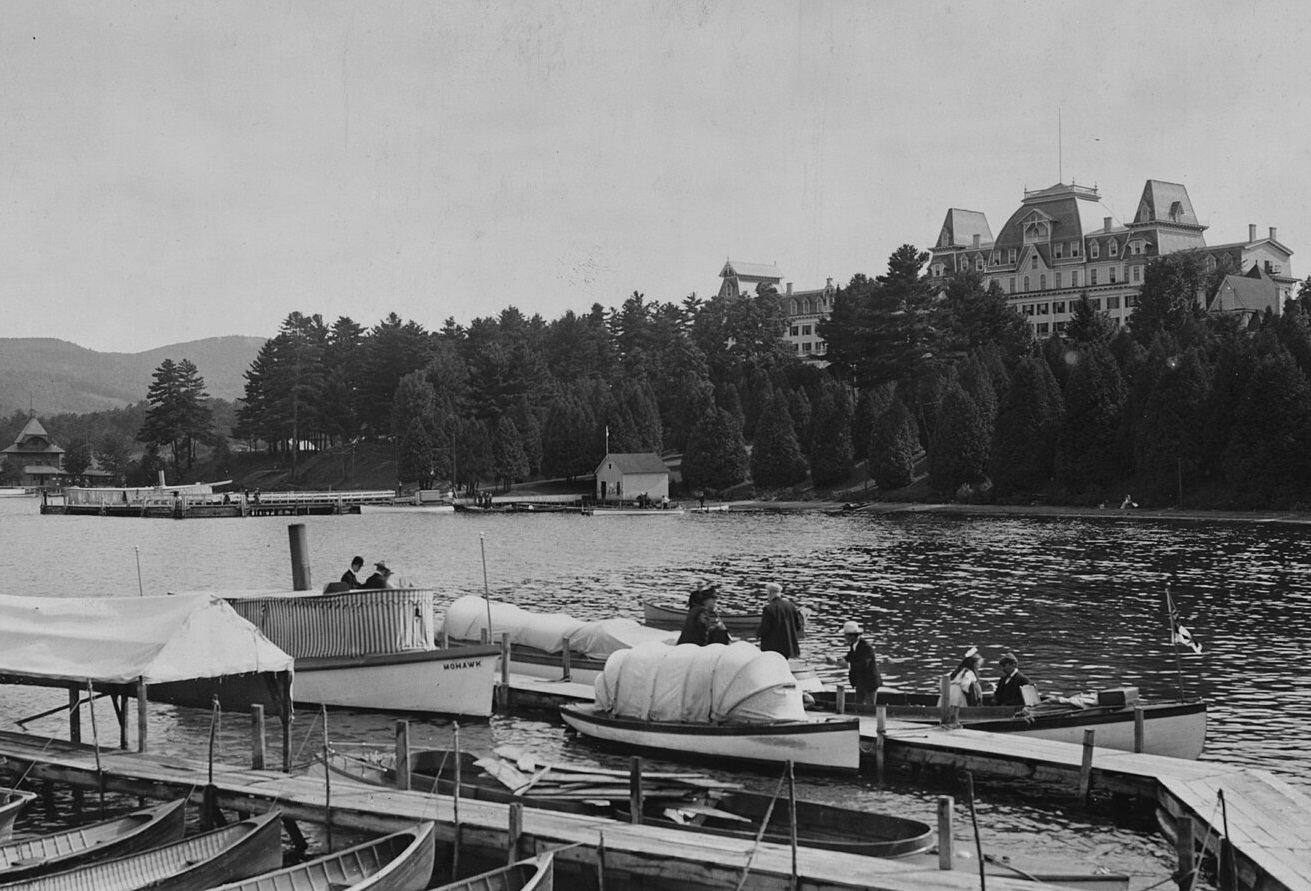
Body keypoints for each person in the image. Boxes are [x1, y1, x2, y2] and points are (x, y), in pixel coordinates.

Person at [836, 620, 880, 704]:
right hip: (860, 681)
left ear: (851, 636)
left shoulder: (866, 647)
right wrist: (837, 659)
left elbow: (864, 665)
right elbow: (850, 657)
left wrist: (847, 665)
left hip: (870, 682)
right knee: (858, 703)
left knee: (869, 705)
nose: (844, 637)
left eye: (845, 635)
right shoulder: (854, 645)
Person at [757, 582, 804, 658]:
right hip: (788, 647)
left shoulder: (769, 608)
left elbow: (765, 629)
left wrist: (758, 634)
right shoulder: (791, 606)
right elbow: (797, 627)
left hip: (773, 648)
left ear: (770, 593)